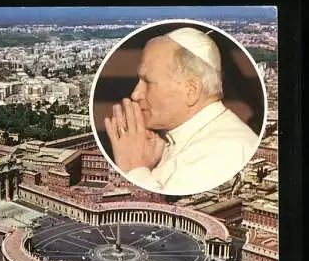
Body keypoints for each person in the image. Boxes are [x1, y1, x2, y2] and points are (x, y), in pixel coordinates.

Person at [104, 27, 259, 195]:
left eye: (148, 82)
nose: (135, 94)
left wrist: (134, 168)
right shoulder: (184, 139)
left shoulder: (223, 153)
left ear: (190, 91)